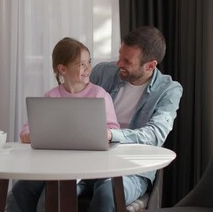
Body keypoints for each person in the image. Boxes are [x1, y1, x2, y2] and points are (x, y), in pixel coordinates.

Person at [78, 26, 183, 211]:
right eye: (120, 55)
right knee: (38, 187)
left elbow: (155, 135)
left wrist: (112, 135)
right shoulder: (103, 72)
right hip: (89, 159)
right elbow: (75, 103)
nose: (119, 63)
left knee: (106, 193)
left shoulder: (169, 90)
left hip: (131, 168)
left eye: (127, 61)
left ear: (150, 65)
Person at [9, 37, 120, 212]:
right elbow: (29, 127)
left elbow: (114, 130)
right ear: (62, 69)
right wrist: (28, 134)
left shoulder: (100, 95)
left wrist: (102, 134)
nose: (88, 69)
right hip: (52, 166)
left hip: (88, 169)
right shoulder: (51, 97)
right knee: (19, 191)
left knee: (49, 199)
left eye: (89, 62)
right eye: (81, 64)